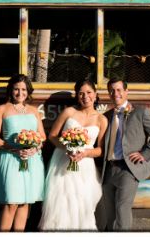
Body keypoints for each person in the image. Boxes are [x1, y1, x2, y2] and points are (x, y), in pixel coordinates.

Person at [96, 78, 150, 231]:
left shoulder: (140, 112)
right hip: (109, 169)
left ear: (126, 91)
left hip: (128, 169)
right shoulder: (106, 116)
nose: (116, 94)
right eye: (112, 90)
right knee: (110, 214)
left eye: (119, 90)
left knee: (122, 210)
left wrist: (145, 154)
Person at [39, 79, 107, 231]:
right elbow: (53, 136)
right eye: (81, 93)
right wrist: (67, 147)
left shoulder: (101, 119)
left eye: (89, 92)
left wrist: (85, 153)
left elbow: (100, 150)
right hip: (62, 162)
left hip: (85, 166)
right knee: (61, 203)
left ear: (95, 95)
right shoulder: (69, 112)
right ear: (77, 96)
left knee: (83, 204)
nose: (85, 96)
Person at [0, 74, 46, 232]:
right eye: (16, 89)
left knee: (25, 201)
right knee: (11, 202)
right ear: (10, 90)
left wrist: (35, 148)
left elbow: (42, 136)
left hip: (32, 160)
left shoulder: (34, 111)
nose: (20, 93)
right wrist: (13, 148)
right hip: (11, 158)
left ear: (28, 91)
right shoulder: (2, 109)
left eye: (24, 89)